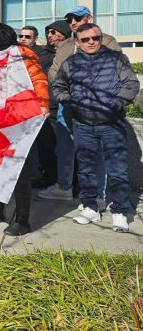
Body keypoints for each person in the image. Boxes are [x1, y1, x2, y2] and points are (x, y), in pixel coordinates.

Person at [53, 23, 139, 233]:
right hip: (83, 125)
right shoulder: (70, 62)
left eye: (96, 38)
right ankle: (90, 207)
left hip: (112, 124)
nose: (91, 42)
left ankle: (120, 211)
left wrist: (116, 103)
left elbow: (131, 84)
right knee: (86, 170)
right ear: (77, 42)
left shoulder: (116, 58)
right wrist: (71, 102)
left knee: (117, 171)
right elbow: (58, 87)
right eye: (86, 39)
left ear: (101, 38)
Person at [0, 15, 49, 236]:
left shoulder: (21, 53)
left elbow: (38, 79)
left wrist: (42, 103)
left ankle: (23, 220)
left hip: (18, 119)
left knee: (19, 168)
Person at [39, 6, 120, 206]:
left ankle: (97, 195)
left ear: (89, 18)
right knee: (64, 148)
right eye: (69, 20)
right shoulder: (65, 45)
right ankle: (64, 187)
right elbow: (54, 71)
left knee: (96, 151)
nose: (73, 22)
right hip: (67, 106)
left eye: (77, 18)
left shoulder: (106, 40)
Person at [30, 20, 71, 188]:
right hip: (44, 106)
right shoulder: (43, 55)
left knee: (65, 148)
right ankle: (49, 178)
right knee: (45, 146)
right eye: (48, 32)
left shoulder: (72, 52)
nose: (50, 35)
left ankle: (68, 182)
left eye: (54, 32)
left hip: (65, 105)